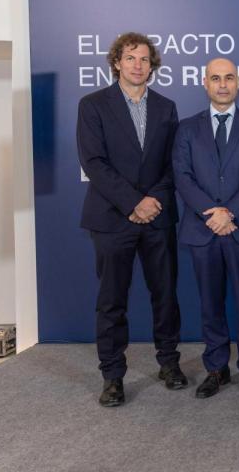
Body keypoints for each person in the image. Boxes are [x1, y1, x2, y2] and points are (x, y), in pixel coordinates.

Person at [76, 32, 185, 407]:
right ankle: (112, 376)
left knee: (166, 296)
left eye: (144, 59)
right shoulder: (93, 105)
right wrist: (133, 202)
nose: (138, 65)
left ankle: (169, 363)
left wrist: (152, 200)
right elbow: (94, 162)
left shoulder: (167, 107)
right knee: (111, 301)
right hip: (111, 218)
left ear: (152, 65)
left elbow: (175, 163)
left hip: (157, 216)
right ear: (116, 63)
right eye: (130, 58)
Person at [173, 57, 239, 399]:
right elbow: (182, 177)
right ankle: (216, 368)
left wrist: (230, 213)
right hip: (202, 231)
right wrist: (210, 213)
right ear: (205, 83)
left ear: (238, 82)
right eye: (216, 78)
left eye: (229, 78)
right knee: (210, 303)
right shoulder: (187, 128)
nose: (223, 84)